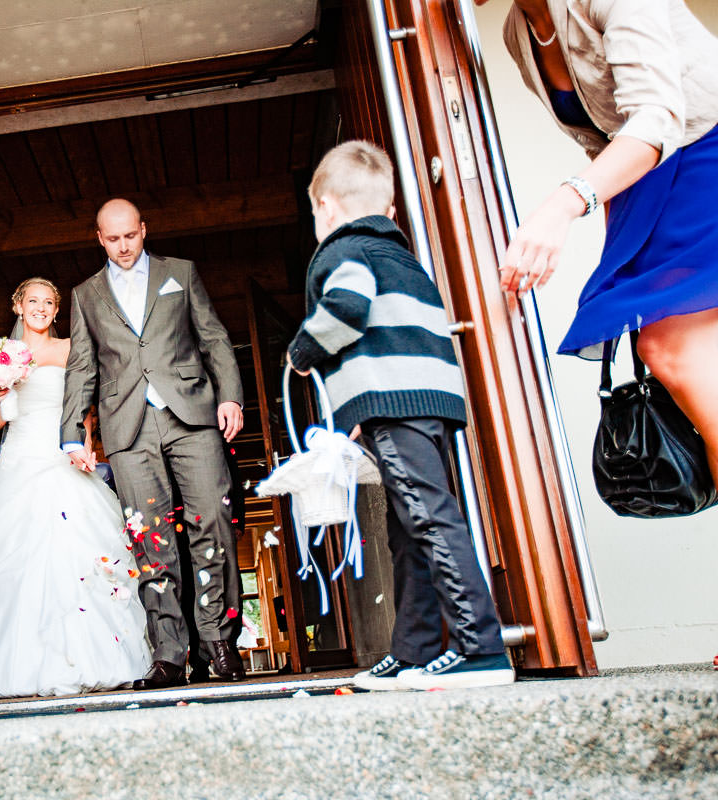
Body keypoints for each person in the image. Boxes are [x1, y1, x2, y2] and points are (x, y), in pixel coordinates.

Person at [286, 141, 514, 691]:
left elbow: (346, 309)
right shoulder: (401, 256)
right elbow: (395, 333)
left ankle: (481, 647)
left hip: (396, 402)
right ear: (387, 209)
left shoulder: (342, 252)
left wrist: (301, 352)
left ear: (327, 207)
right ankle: (414, 649)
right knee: (411, 527)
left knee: (429, 519)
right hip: (426, 402)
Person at [484, 1, 718, 485]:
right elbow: (597, 139)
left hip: (702, 148)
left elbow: (655, 118)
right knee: (670, 348)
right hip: (644, 184)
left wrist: (562, 207)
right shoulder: (517, 32)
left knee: (672, 346)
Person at [0, 278, 150, 702]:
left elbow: (86, 411)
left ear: (56, 311)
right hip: (22, 457)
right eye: (32, 300)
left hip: (64, 455)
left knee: (78, 551)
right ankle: (14, 666)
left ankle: (94, 660)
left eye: (48, 302)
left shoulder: (70, 348)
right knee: (13, 555)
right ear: (18, 305)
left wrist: (89, 448)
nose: (40, 308)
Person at [61, 198, 246, 690]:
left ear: (144, 230)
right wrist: (70, 433)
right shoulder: (85, 294)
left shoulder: (179, 273)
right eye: (112, 239)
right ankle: (168, 654)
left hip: (191, 412)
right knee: (149, 539)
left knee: (212, 521)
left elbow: (214, 339)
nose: (123, 247)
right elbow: (82, 367)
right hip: (127, 426)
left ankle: (220, 644)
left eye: (130, 236)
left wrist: (231, 397)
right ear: (99, 238)